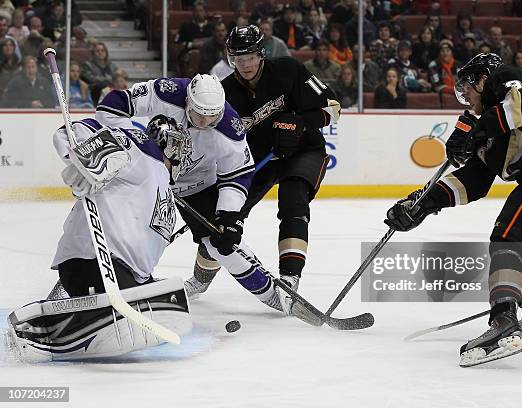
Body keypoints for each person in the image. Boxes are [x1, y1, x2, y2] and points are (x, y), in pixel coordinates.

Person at [384, 53, 522, 367]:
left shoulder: (504, 81)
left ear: (483, 79)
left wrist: (474, 131)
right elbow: (473, 182)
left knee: (508, 239)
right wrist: (423, 203)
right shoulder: (491, 130)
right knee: (519, 237)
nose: (466, 97)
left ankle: (503, 323)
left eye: (467, 88)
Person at [95, 74, 290, 312]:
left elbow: (237, 173)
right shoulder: (167, 92)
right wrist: (132, 142)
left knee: (223, 244)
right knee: (124, 231)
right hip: (150, 175)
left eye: (212, 115)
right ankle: (95, 279)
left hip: (198, 185)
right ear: (188, 102)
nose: (206, 121)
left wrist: (228, 216)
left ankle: (274, 294)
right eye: (200, 114)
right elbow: (112, 106)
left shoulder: (230, 126)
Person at [8, 117, 193, 361]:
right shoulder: (143, 151)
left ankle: (75, 308)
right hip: (96, 263)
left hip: (122, 275)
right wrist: (89, 161)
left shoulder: (160, 183)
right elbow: (75, 131)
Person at [194, 25, 339, 301]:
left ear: (261, 54)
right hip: (258, 161)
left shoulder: (289, 70)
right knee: (223, 219)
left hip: (304, 150)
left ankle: (289, 280)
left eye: (250, 57)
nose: (245, 64)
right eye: (238, 58)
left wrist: (300, 124)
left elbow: (334, 108)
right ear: (230, 58)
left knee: (293, 200)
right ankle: (199, 281)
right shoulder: (224, 95)